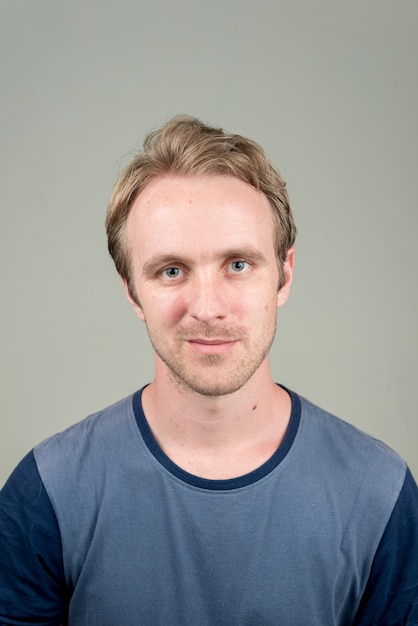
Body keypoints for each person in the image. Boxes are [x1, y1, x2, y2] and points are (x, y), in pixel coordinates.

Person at [0, 115, 417, 626]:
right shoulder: (48, 491)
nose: (207, 307)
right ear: (132, 290)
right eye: (171, 271)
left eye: (238, 265)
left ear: (283, 275)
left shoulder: (379, 492)